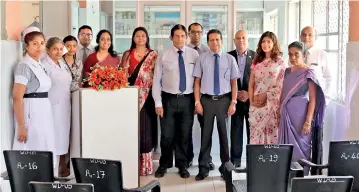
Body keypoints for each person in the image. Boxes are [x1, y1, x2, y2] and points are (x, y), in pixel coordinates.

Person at [152, 24, 199, 178]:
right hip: (168, 100)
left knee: (184, 134)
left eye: (182, 36)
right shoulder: (163, 55)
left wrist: (197, 102)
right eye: (177, 36)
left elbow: (199, 80)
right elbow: (156, 80)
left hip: (188, 99)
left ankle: (182, 165)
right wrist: (158, 103)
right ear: (171, 38)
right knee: (166, 134)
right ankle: (164, 165)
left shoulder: (194, 55)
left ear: (186, 37)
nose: (180, 39)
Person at [193, 29, 239, 181]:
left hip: (224, 101)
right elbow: (197, 82)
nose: (214, 42)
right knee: (205, 136)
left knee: (224, 137)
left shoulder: (230, 59)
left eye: (217, 39)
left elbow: (234, 83)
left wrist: (233, 102)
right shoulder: (202, 59)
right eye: (211, 40)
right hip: (206, 101)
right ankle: (203, 168)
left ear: (222, 41)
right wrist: (197, 102)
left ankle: (226, 169)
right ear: (208, 42)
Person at [278, 41, 326, 175]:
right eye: (290, 54)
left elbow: (313, 100)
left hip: (301, 117)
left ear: (304, 55)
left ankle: (301, 178)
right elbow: (283, 93)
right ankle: (287, 178)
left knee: (302, 149)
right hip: (286, 115)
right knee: (286, 148)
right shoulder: (287, 71)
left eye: (296, 54)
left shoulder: (309, 73)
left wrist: (307, 122)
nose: (292, 58)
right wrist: (279, 113)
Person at [12, 31, 57, 172]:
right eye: (34, 44)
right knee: (33, 145)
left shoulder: (39, 64)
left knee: (45, 143)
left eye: (42, 43)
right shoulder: (24, 66)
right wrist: (21, 125)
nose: (39, 47)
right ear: (27, 46)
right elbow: (17, 97)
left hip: (43, 110)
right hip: (31, 111)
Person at [120, 27, 158, 176]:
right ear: (133, 38)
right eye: (137, 36)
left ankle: (146, 166)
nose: (140, 38)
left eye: (143, 36)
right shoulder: (127, 54)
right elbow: (122, 75)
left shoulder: (153, 55)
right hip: (130, 97)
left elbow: (157, 75)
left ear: (147, 37)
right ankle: (130, 163)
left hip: (148, 97)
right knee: (131, 129)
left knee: (146, 129)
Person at [248, 31, 286, 144]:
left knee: (272, 137)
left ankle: (271, 161)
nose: (265, 44)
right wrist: (252, 101)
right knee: (255, 137)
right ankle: (257, 161)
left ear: (274, 43)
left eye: (269, 41)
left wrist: (266, 95)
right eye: (263, 41)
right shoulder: (256, 61)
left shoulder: (280, 62)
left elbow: (281, 85)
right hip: (257, 106)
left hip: (272, 105)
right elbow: (251, 83)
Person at [42, 37, 72, 177]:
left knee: (62, 139)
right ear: (48, 50)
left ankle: (60, 170)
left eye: (61, 49)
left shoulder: (62, 63)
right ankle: (51, 174)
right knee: (52, 140)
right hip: (51, 107)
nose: (59, 52)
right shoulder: (44, 65)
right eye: (55, 49)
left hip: (65, 106)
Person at [186, 22, 214, 170]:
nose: (196, 35)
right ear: (189, 34)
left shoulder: (207, 50)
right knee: (187, 127)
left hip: (204, 95)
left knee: (206, 128)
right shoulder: (184, 50)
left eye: (199, 32)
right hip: (187, 95)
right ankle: (188, 157)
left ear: (202, 34)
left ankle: (206, 158)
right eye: (193, 32)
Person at [228, 30, 256, 168]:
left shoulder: (256, 57)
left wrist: (247, 93)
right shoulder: (228, 56)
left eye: (243, 38)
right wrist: (235, 94)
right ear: (234, 41)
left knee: (253, 133)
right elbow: (225, 78)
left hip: (251, 101)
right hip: (234, 101)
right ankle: (235, 162)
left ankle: (252, 162)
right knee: (236, 132)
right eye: (238, 38)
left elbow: (260, 80)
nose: (241, 40)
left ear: (248, 40)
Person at [300, 26, 332, 97]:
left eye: (310, 35)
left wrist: (325, 99)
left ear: (316, 38)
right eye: (304, 35)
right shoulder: (295, 55)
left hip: (317, 98)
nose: (306, 37)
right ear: (300, 37)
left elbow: (329, 78)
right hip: (299, 99)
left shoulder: (322, 54)